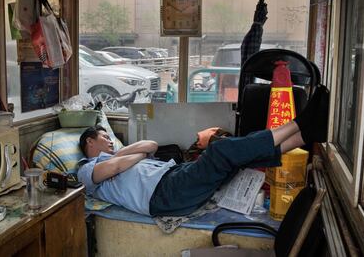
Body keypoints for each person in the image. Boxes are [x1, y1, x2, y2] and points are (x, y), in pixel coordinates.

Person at [77, 85, 329, 217]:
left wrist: (122, 153)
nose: (110, 141)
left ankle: (305, 135)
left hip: (172, 178)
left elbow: (150, 146)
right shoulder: (85, 170)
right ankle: (300, 123)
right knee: (220, 151)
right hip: (163, 194)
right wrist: (122, 158)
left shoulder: (115, 156)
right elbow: (115, 167)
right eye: (103, 137)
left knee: (236, 156)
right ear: (90, 143)